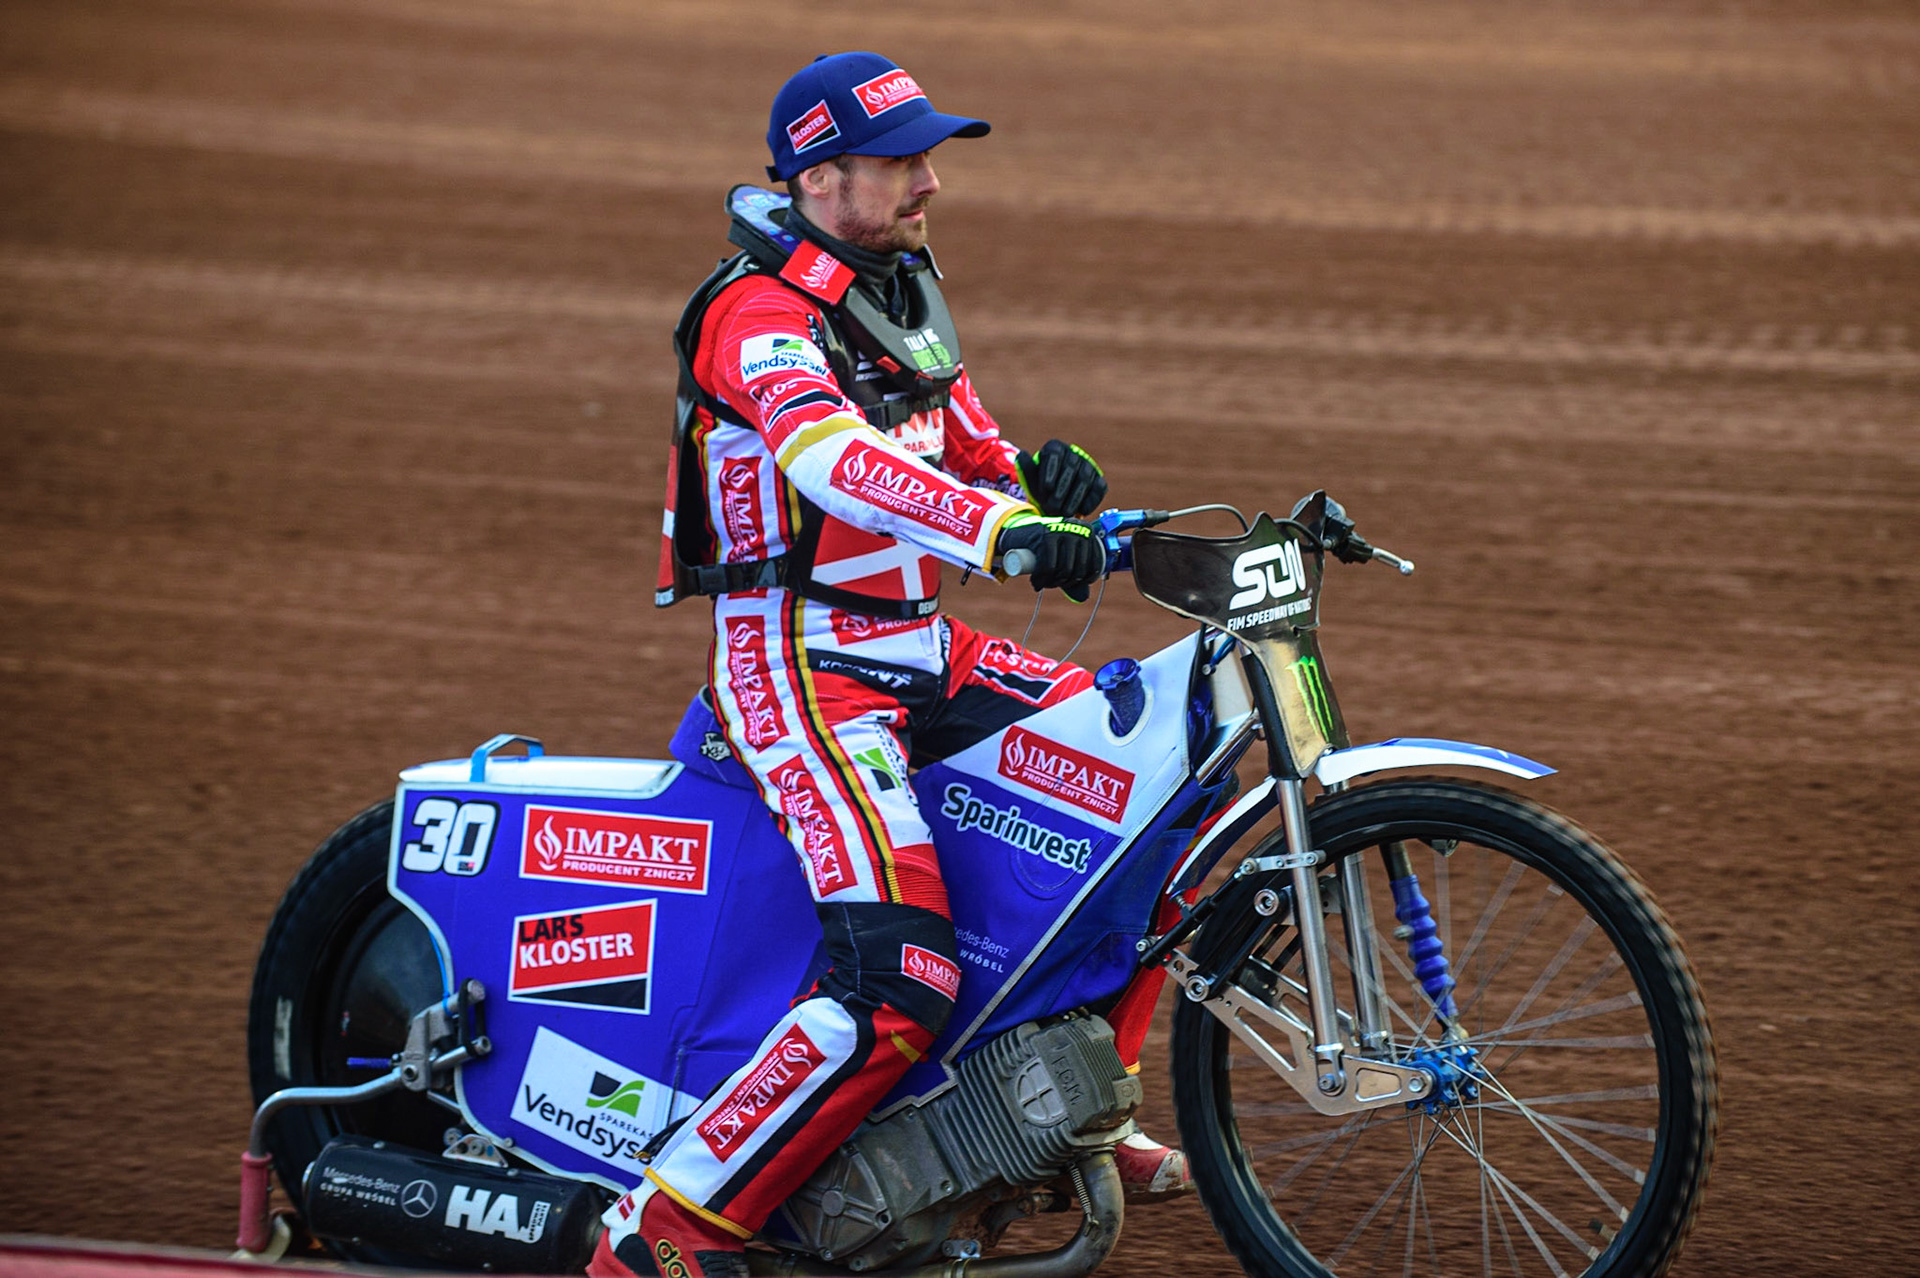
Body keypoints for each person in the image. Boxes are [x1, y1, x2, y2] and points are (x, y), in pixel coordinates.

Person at [593, 52, 1187, 1278]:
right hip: (800, 666)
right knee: (899, 980)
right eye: (903, 160)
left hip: (918, 645)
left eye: (931, 157)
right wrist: (1000, 531)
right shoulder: (753, 314)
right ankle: (665, 1225)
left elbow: (963, 446)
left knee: (1150, 786)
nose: (929, 182)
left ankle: (1093, 1103)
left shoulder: (898, 280)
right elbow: (833, 462)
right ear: (820, 175)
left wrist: (1042, 493)